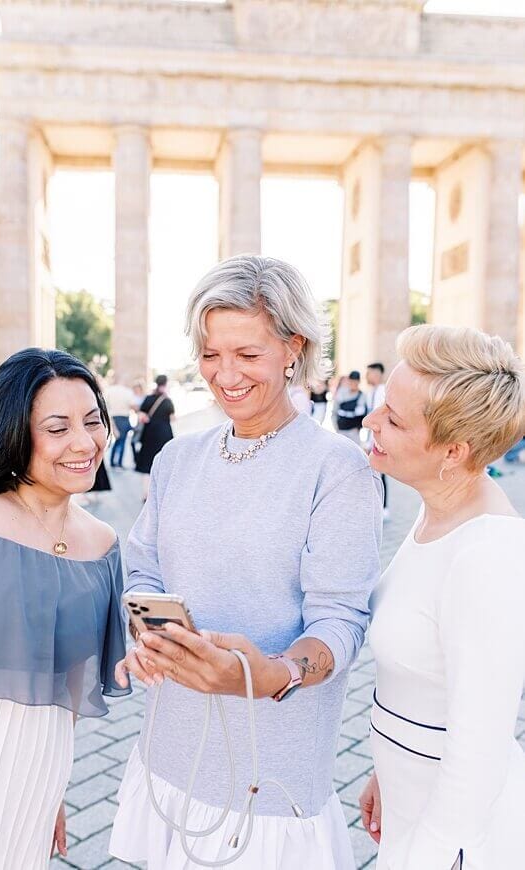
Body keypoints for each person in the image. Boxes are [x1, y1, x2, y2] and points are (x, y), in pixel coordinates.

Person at [108, 255, 381, 869]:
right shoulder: (177, 458)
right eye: (210, 354)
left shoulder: (337, 470)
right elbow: (145, 571)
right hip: (169, 750)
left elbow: (341, 621)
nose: (225, 375)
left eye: (247, 355)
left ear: (294, 348)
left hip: (272, 773)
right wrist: (147, 632)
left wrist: (268, 673)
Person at [0, 348, 131, 869]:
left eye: (92, 421)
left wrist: (54, 788)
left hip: (39, 768)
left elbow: (71, 687)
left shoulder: (103, 544)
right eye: (57, 427)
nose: (83, 442)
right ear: (15, 432)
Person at [358, 325, 525, 869]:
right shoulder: (438, 511)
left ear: (453, 451)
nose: (370, 422)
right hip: (412, 805)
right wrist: (384, 768)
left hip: (453, 841)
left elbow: (480, 752)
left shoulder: (488, 554)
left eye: (394, 420)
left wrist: (427, 855)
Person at [134, 374, 175, 500]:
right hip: (164, 435)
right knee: (164, 463)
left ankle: (146, 494)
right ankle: (160, 494)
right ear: (165, 384)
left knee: (147, 464)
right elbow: (173, 418)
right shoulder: (167, 400)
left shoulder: (149, 398)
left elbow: (140, 413)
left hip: (149, 434)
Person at [365, 362, 390, 520]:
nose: (367, 376)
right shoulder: (370, 392)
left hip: (380, 439)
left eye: (370, 373)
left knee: (381, 474)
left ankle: (384, 507)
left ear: (378, 374)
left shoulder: (384, 392)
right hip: (370, 439)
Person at [105, 375, 139, 468]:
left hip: (113, 418)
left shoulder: (109, 391)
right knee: (122, 441)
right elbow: (133, 406)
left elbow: (105, 404)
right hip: (124, 418)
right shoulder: (127, 392)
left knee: (116, 440)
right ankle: (119, 462)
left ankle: (112, 461)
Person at [333, 370, 367, 443]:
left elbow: (362, 414)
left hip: (353, 431)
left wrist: (358, 428)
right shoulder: (341, 393)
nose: (353, 384)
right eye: (351, 381)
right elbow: (334, 411)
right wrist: (336, 427)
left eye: (355, 382)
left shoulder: (362, 396)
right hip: (340, 430)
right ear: (349, 381)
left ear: (359, 382)